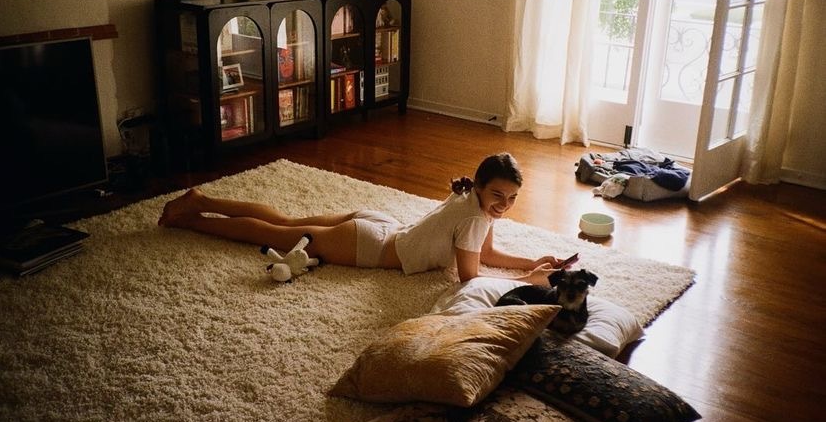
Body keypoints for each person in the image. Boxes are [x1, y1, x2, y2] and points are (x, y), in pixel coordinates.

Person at [158, 153, 576, 285]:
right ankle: (191, 219)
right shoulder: (474, 219)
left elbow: (487, 254)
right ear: (482, 186)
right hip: (372, 244)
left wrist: (534, 261)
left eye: (512, 198)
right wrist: (528, 281)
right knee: (270, 234)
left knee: (284, 221)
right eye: (498, 195)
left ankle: (202, 198)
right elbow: (470, 277)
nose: (504, 205)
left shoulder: (472, 201)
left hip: (380, 224)